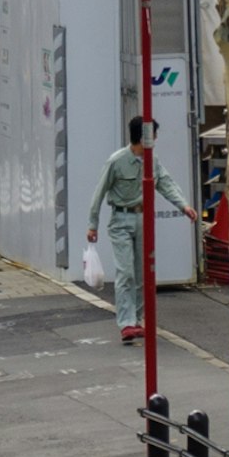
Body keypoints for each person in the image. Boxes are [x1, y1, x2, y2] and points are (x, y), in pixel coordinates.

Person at [85, 118, 151, 337]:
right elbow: (100, 191)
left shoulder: (151, 160)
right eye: (152, 135)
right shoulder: (117, 160)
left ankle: (137, 319)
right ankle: (126, 322)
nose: (155, 140)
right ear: (142, 138)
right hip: (121, 219)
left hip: (142, 218)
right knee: (126, 271)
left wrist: (184, 206)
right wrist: (92, 224)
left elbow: (166, 183)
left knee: (141, 273)